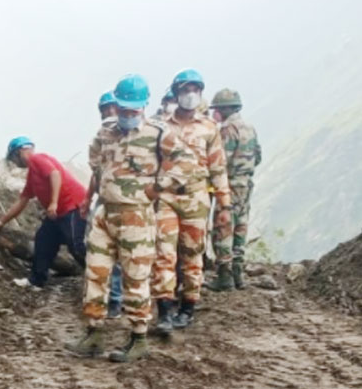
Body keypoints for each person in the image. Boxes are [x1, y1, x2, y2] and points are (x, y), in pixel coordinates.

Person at [68, 74, 185, 363]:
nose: (127, 114)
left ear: (143, 106)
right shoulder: (106, 131)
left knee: (136, 277)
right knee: (95, 273)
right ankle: (94, 332)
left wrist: (154, 189)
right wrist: (95, 192)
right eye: (123, 109)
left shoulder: (159, 134)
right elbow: (95, 162)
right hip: (105, 213)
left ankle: (139, 337)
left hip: (136, 217)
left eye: (133, 110)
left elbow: (183, 169)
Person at [151, 69, 232, 331]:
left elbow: (218, 168)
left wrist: (224, 205)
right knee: (164, 254)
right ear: (176, 93)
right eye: (186, 90)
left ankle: (187, 308)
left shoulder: (209, 128)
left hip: (196, 198)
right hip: (166, 197)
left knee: (192, 254)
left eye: (195, 90)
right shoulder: (160, 126)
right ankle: (164, 310)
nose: (190, 95)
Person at [0, 137, 89, 288]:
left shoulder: (37, 159)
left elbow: (55, 174)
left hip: (73, 206)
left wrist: (53, 203)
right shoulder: (32, 175)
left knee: (75, 245)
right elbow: (22, 201)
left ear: (19, 152)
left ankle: (101, 277)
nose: (14, 163)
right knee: (43, 240)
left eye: (13, 158)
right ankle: (36, 280)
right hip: (57, 213)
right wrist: (2, 221)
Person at [209, 88, 262, 290]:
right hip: (246, 184)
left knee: (223, 228)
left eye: (217, 109)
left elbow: (221, 160)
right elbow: (257, 157)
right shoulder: (250, 127)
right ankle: (238, 274)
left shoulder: (227, 130)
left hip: (229, 185)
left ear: (224, 109)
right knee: (241, 226)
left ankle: (225, 276)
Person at [92, 92, 123, 317]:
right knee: (99, 249)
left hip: (129, 203)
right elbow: (97, 171)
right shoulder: (100, 137)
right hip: (104, 201)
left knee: (124, 253)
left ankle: (117, 299)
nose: (110, 112)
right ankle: (104, 299)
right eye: (106, 109)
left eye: (113, 107)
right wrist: (88, 199)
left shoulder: (135, 133)